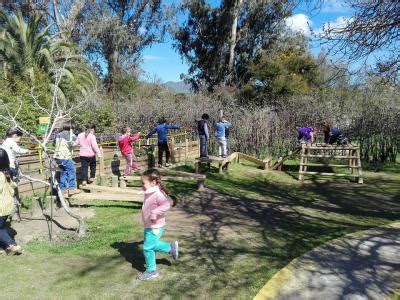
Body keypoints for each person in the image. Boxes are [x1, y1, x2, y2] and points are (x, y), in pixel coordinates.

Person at [136, 169, 178, 281]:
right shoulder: (151, 191)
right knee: (150, 246)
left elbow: (166, 204)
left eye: (143, 183)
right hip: (149, 226)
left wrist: (154, 213)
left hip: (155, 226)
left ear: (153, 182)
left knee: (147, 248)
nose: (142, 185)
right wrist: (143, 189)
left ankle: (151, 271)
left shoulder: (158, 194)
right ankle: (170, 248)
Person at [0, 149, 22, 255]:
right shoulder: (7, 173)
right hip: (8, 205)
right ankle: (3, 248)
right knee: (2, 227)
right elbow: (14, 186)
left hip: (1, 208)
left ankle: (11, 244)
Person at [53, 123, 81, 197]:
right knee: (71, 170)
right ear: (70, 128)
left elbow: (53, 144)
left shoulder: (58, 134)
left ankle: (63, 189)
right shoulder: (69, 134)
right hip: (65, 156)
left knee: (63, 172)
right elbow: (73, 143)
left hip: (57, 157)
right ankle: (72, 188)